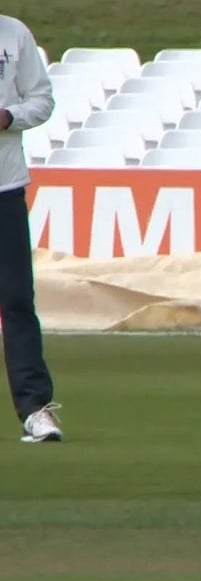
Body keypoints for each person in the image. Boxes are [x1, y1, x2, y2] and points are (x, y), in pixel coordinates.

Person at [0, 15, 61, 443]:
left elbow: (42, 100)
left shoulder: (14, 33)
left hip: (4, 187)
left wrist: (8, 117)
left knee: (17, 300)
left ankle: (36, 411)